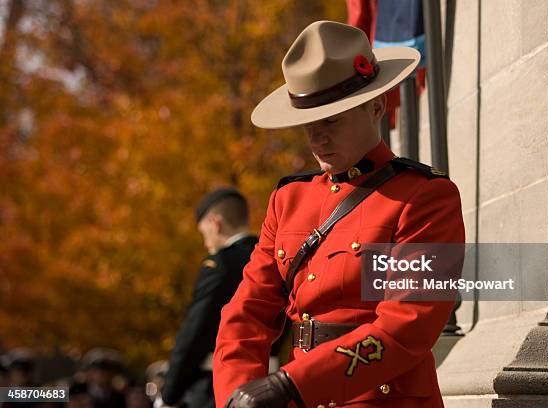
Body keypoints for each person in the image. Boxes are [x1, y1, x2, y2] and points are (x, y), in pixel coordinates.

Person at [212, 20, 465, 408]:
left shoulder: (427, 197)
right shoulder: (288, 200)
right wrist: (237, 393)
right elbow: (246, 316)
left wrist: (291, 386)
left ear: (377, 106)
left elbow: (409, 326)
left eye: (331, 119)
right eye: (308, 124)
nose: (317, 138)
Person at [161, 189, 259, 408]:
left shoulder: (219, 265)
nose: (206, 243)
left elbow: (195, 332)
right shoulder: (273, 258)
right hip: (269, 385)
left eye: (204, 234)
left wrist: (169, 393)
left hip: (217, 387)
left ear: (216, 223)